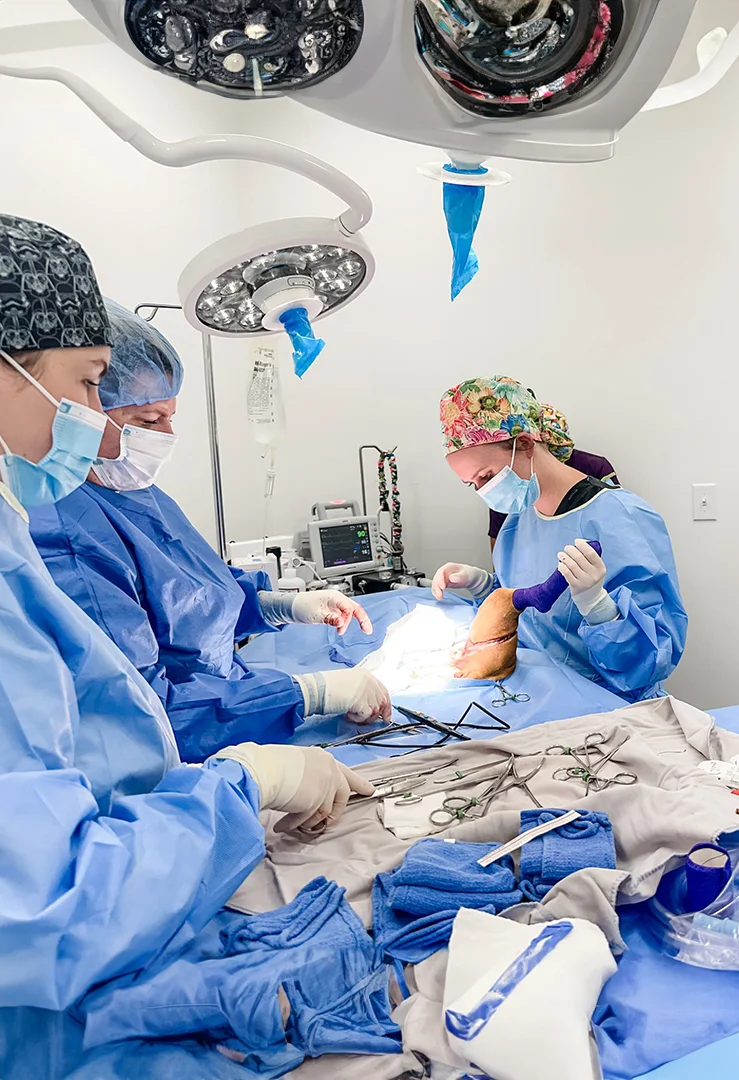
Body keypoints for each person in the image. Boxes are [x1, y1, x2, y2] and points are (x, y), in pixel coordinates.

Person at [0, 214, 374, 1073]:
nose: (101, 425)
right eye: (92, 385)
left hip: (136, 877)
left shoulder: (39, 518)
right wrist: (252, 777)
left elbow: (197, 590)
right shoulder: (54, 526)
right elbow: (51, 907)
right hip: (68, 996)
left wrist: (281, 605)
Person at [28, 299, 391, 762]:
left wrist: (285, 604)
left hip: (231, 700)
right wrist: (311, 694)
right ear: (80, 412)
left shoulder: (136, 490)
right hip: (195, 734)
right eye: (148, 420)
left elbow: (192, 597)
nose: (167, 434)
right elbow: (140, 711)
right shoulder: (67, 537)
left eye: (170, 415)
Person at [432, 375, 686, 701]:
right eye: (472, 484)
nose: (483, 491)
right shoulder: (517, 522)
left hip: (613, 710)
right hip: (539, 697)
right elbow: (532, 611)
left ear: (524, 444)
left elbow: (653, 658)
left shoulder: (623, 518)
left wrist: (599, 608)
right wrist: (485, 587)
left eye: (487, 476)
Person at [488, 399, 617, 551]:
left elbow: (616, 526)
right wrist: (492, 576)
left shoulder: (593, 467)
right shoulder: (509, 482)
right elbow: (499, 541)